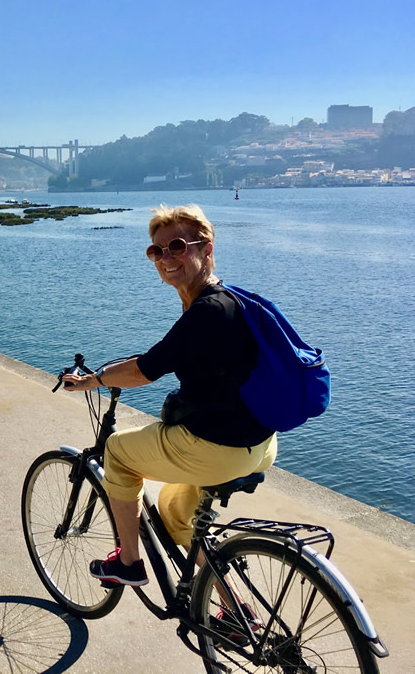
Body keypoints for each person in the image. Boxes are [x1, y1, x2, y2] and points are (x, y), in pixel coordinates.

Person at [62, 204, 277, 587]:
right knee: (176, 514)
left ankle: (128, 562)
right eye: (156, 251)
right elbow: (163, 355)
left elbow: (145, 370)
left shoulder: (205, 313)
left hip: (216, 448)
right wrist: (116, 371)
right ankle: (233, 611)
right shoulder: (235, 302)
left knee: (117, 452)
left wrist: (94, 379)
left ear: (206, 250)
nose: (165, 258)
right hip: (259, 444)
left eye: (177, 246)